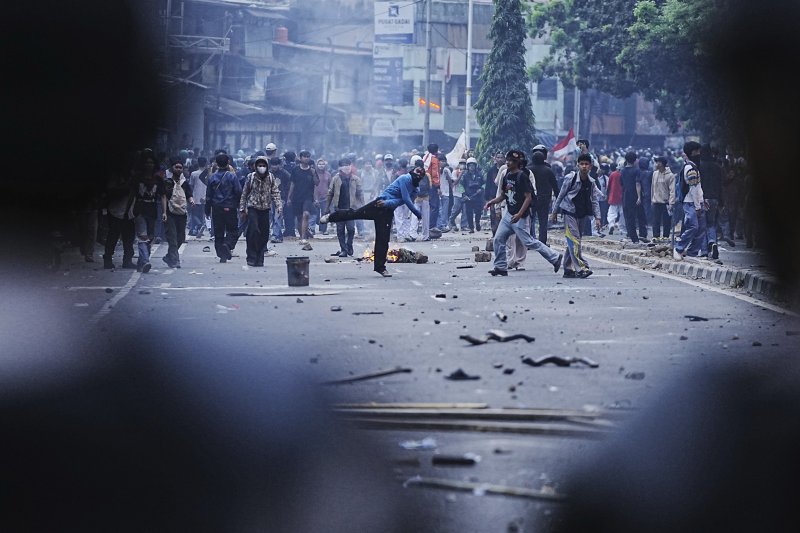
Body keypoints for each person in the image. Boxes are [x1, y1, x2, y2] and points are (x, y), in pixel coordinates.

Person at [319, 166, 424, 277]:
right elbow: (406, 198)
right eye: (415, 175)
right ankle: (331, 217)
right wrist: (418, 214)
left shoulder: (415, 190)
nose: (416, 177)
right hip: (378, 204)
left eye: (419, 176)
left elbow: (401, 201)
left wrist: (387, 204)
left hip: (387, 211)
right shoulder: (405, 179)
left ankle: (380, 268)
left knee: (383, 240)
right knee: (355, 214)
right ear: (412, 173)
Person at [484, 150, 562, 277]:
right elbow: (504, 194)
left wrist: (520, 214)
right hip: (509, 214)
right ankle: (500, 266)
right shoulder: (507, 176)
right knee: (498, 239)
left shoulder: (522, 177)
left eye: (511, 161)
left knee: (529, 241)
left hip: (521, 216)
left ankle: (555, 257)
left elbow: (528, 197)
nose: (508, 162)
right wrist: (492, 202)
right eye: (507, 160)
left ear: (518, 163)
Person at [551, 153, 602, 279]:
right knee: (574, 241)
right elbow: (561, 195)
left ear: (590, 166)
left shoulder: (591, 182)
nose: (584, 166)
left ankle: (567, 269)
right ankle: (582, 268)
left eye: (586, 164)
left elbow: (594, 200)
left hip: (582, 214)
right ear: (578, 165)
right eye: (582, 164)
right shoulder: (570, 178)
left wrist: (598, 218)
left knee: (574, 241)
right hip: (569, 213)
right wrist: (554, 212)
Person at [239, 155, 281, 267]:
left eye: (263, 165)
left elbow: (275, 193)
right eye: (259, 165)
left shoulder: (271, 177)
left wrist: (278, 207)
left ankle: (260, 258)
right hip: (253, 207)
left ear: (267, 166)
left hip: (266, 209)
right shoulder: (250, 177)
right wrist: (242, 209)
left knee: (264, 234)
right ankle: (251, 257)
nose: (261, 167)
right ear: (255, 166)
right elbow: (244, 193)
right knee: (253, 231)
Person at [131, 150, 165, 273]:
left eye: (151, 163)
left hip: (152, 209)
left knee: (150, 237)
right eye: (146, 162)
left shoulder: (158, 180)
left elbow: (162, 196)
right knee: (142, 236)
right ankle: (145, 260)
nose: (149, 165)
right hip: (140, 208)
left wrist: (164, 211)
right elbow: (132, 194)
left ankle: (141, 262)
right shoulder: (137, 179)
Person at [206, 153, 242, 264]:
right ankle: (228, 245)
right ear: (228, 163)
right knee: (233, 230)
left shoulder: (212, 177)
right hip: (230, 207)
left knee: (218, 231)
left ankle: (221, 254)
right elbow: (239, 191)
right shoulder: (232, 176)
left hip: (216, 208)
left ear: (216, 164)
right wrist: (240, 205)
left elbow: (208, 196)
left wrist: (207, 209)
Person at [673, 141, 705, 261]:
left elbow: (698, 188)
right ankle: (678, 248)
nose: (699, 153)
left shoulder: (694, 167)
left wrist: (702, 200)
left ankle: (692, 253)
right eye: (697, 151)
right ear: (692, 152)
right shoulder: (690, 169)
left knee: (701, 229)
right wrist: (697, 206)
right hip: (691, 202)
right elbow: (693, 189)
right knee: (693, 227)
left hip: (697, 201)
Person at [325, 158, 363, 257]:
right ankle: (343, 250)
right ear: (340, 167)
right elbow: (330, 193)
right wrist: (327, 207)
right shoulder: (335, 179)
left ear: (351, 166)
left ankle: (349, 245)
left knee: (351, 229)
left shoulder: (356, 179)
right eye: (344, 165)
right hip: (339, 209)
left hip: (351, 209)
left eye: (348, 164)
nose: (346, 167)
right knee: (340, 230)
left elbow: (360, 194)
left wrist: (362, 207)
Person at [162, 158, 194, 269]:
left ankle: (169, 256)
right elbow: (164, 197)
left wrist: (191, 201)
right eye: (177, 167)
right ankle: (175, 260)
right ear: (172, 168)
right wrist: (164, 212)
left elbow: (189, 194)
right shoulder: (167, 182)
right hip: (170, 213)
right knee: (173, 238)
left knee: (181, 237)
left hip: (182, 213)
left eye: (180, 167)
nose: (179, 169)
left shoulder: (184, 183)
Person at [697, 144, 724, 259]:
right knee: (711, 223)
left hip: (703, 198)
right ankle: (712, 242)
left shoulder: (699, 166)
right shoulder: (717, 167)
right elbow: (720, 185)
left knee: (702, 225)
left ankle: (704, 251)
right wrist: (722, 201)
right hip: (715, 199)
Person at [286, 150, 318, 244]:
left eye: (308, 156)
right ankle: (303, 235)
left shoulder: (311, 170)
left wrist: (313, 173)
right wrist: (289, 198)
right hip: (297, 197)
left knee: (306, 214)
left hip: (308, 197)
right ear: (300, 158)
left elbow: (316, 183)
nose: (306, 158)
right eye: (304, 156)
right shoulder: (295, 170)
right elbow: (292, 184)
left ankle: (303, 237)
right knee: (299, 218)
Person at [530, 145, 559, 245]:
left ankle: (530, 241)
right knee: (543, 222)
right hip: (544, 199)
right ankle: (542, 241)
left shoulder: (528, 169)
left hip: (531, 200)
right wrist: (558, 201)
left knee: (530, 220)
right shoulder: (548, 170)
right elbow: (555, 186)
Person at [620, 151, 648, 244]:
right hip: (635, 195)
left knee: (629, 218)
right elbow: (637, 183)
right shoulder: (637, 170)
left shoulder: (622, 171)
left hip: (626, 196)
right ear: (635, 160)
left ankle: (634, 238)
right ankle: (643, 234)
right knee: (641, 215)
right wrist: (639, 197)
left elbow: (621, 184)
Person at [651, 156, 675, 239]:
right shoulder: (655, 173)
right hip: (656, 201)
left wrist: (671, 203)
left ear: (662, 164)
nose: (656, 164)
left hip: (666, 202)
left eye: (658, 162)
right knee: (655, 221)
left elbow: (672, 190)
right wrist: (652, 198)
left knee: (666, 221)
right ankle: (656, 237)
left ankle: (665, 237)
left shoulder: (670, 175)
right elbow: (652, 187)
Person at [269, 157, 290, 243]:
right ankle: (278, 235)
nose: (274, 166)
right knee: (272, 216)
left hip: (281, 197)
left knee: (277, 216)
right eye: (273, 165)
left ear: (279, 165)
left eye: (276, 164)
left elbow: (289, 185)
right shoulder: (268, 174)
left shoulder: (285, 174)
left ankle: (275, 235)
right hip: (270, 198)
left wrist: (287, 196)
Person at [461, 157, 484, 233]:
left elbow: (485, 184)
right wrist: (464, 195)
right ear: (467, 166)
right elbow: (460, 186)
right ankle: (471, 227)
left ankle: (477, 222)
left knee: (478, 212)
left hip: (478, 197)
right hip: (469, 197)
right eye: (470, 165)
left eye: (473, 165)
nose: (471, 167)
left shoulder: (480, 174)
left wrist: (481, 189)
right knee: (469, 213)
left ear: (475, 166)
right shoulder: (464, 175)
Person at [188, 156, 209, 238]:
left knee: (194, 214)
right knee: (202, 214)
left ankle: (197, 227)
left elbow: (191, 185)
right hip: (205, 196)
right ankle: (198, 228)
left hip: (196, 196)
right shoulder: (208, 173)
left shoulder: (194, 174)